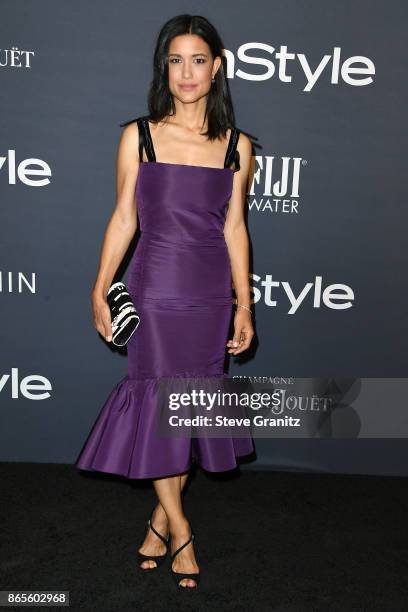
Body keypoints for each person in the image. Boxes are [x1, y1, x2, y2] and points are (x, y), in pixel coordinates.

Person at [75, 14, 255, 589]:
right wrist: (101, 285)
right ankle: (181, 528)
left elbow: (234, 230)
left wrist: (244, 304)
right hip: (154, 292)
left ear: (217, 67)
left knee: (192, 410)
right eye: (174, 60)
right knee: (158, 408)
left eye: (197, 59)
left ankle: (157, 522)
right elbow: (125, 217)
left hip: (208, 298)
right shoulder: (140, 135)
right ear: (164, 67)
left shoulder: (237, 147)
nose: (186, 72)